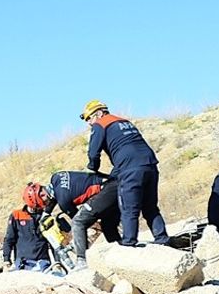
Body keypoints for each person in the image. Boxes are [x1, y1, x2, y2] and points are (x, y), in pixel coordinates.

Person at [80, 101, 168, 247]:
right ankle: (163, 240)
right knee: (150, 207)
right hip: (150, 164)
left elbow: (93, 152)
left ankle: (129, 244)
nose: (89, 123)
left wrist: (93, 168)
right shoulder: (124, 122)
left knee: (128, 208)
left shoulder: (100, 124)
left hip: (130, 168)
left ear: (99, 113)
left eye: (90, 118)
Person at [46, 170, 122, 270]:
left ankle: (82, 260)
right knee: (107, 225)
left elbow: (79, 219)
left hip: (105, 190)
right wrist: (47, 212)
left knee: (78, 222)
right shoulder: (56, 177)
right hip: (114, 184)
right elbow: (58, 194)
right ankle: (121, 248)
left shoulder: (63, 202)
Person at [2, 183, 53, 272]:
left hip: (43, 262)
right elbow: (9, 239)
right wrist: (6, 260)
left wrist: (57, 262)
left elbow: (53, 242)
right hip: (23, 263)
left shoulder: (46, 217)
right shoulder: (16, 215)